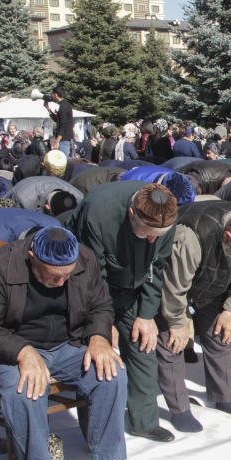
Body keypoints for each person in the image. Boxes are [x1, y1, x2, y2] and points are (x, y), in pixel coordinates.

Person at [0, 227, 135, 460]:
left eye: (67, 276)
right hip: (13, 347)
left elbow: (101, 306)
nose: (60, 283)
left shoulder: (85, 259)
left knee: (111, 373)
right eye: (53, 276)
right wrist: (21, 350)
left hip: (67, 343)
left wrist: (98, 337)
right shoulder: (3, 265)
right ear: (32, 257)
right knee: (24, 392)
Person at [65, 182, 178, 442]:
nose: (153, 239)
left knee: (143, 345)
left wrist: (147, 315)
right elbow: (92, 274)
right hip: (89, 289)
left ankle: (144, 420)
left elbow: (157, 266)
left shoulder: (168, 213)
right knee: (98, 355)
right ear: (131, 214)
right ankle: (98, 430)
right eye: (148, 233)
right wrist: (103, 324)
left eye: (159, 235)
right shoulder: (99, 213)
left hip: (132, 289)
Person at [156, 205, 231, 431]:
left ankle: (225, 396)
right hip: (173, 286)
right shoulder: (190, 238)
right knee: (172, 342)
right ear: (228, 236)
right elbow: (174, 287)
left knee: (222, 333)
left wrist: (230, 310)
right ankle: (179, 408)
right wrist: (178, 323)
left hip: (212, 285)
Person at [49, 87, 74, 157]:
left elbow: (63, 125)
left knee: (64, 161)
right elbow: (58, 120)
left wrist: (57, 142)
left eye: (53, 94)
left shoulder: (63, 106)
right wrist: (48, 109)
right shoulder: (65, 105)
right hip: (64, 138)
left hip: (64, 139)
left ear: (56, 94)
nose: (52, 96)